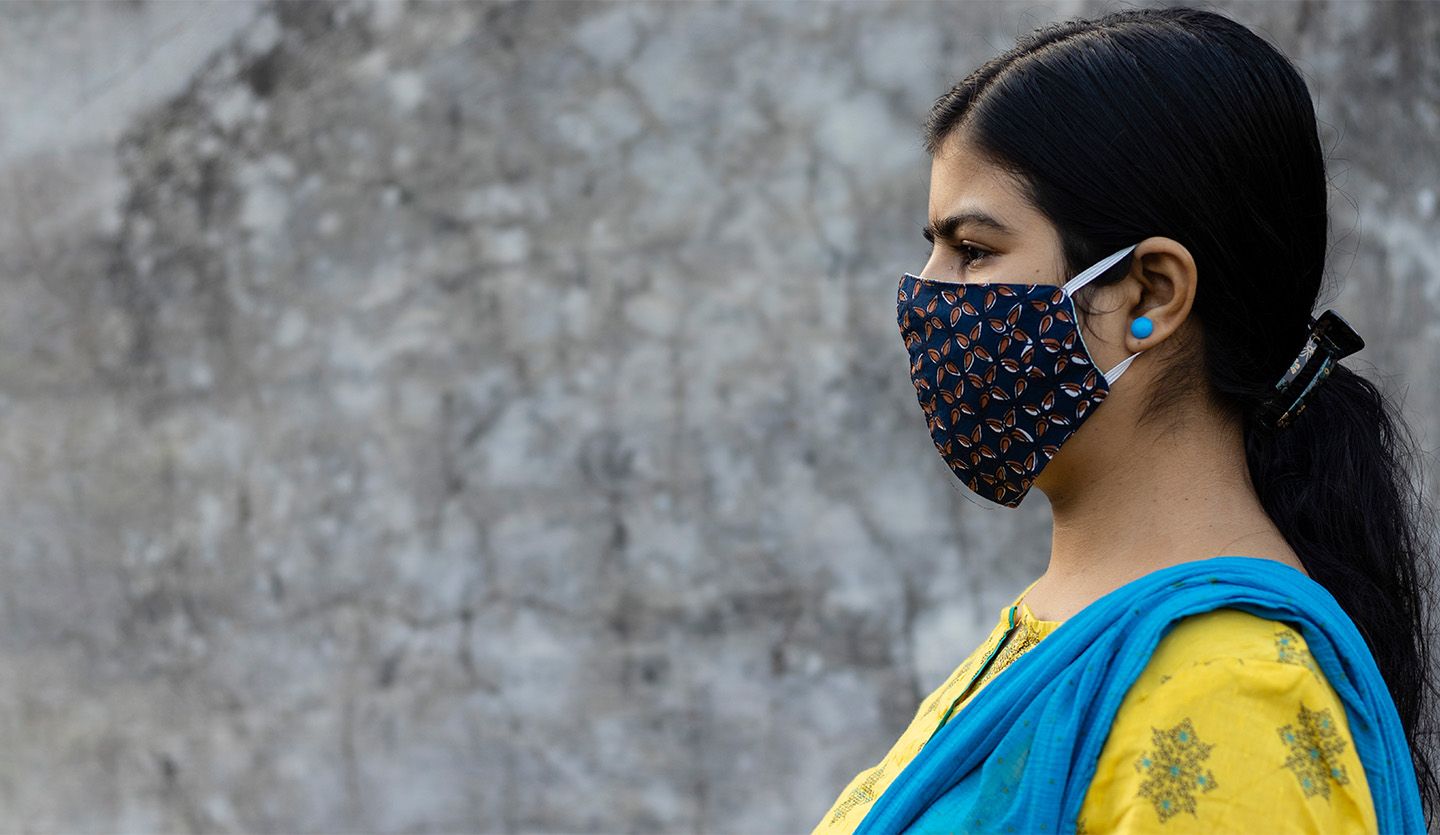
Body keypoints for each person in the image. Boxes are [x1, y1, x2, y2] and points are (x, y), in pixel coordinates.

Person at [813, 6, 1435, 833]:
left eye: (973, 250)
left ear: (1149, 295)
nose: (926, 298)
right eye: (934, 245)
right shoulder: (1056, 625)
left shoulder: (1227, 694)